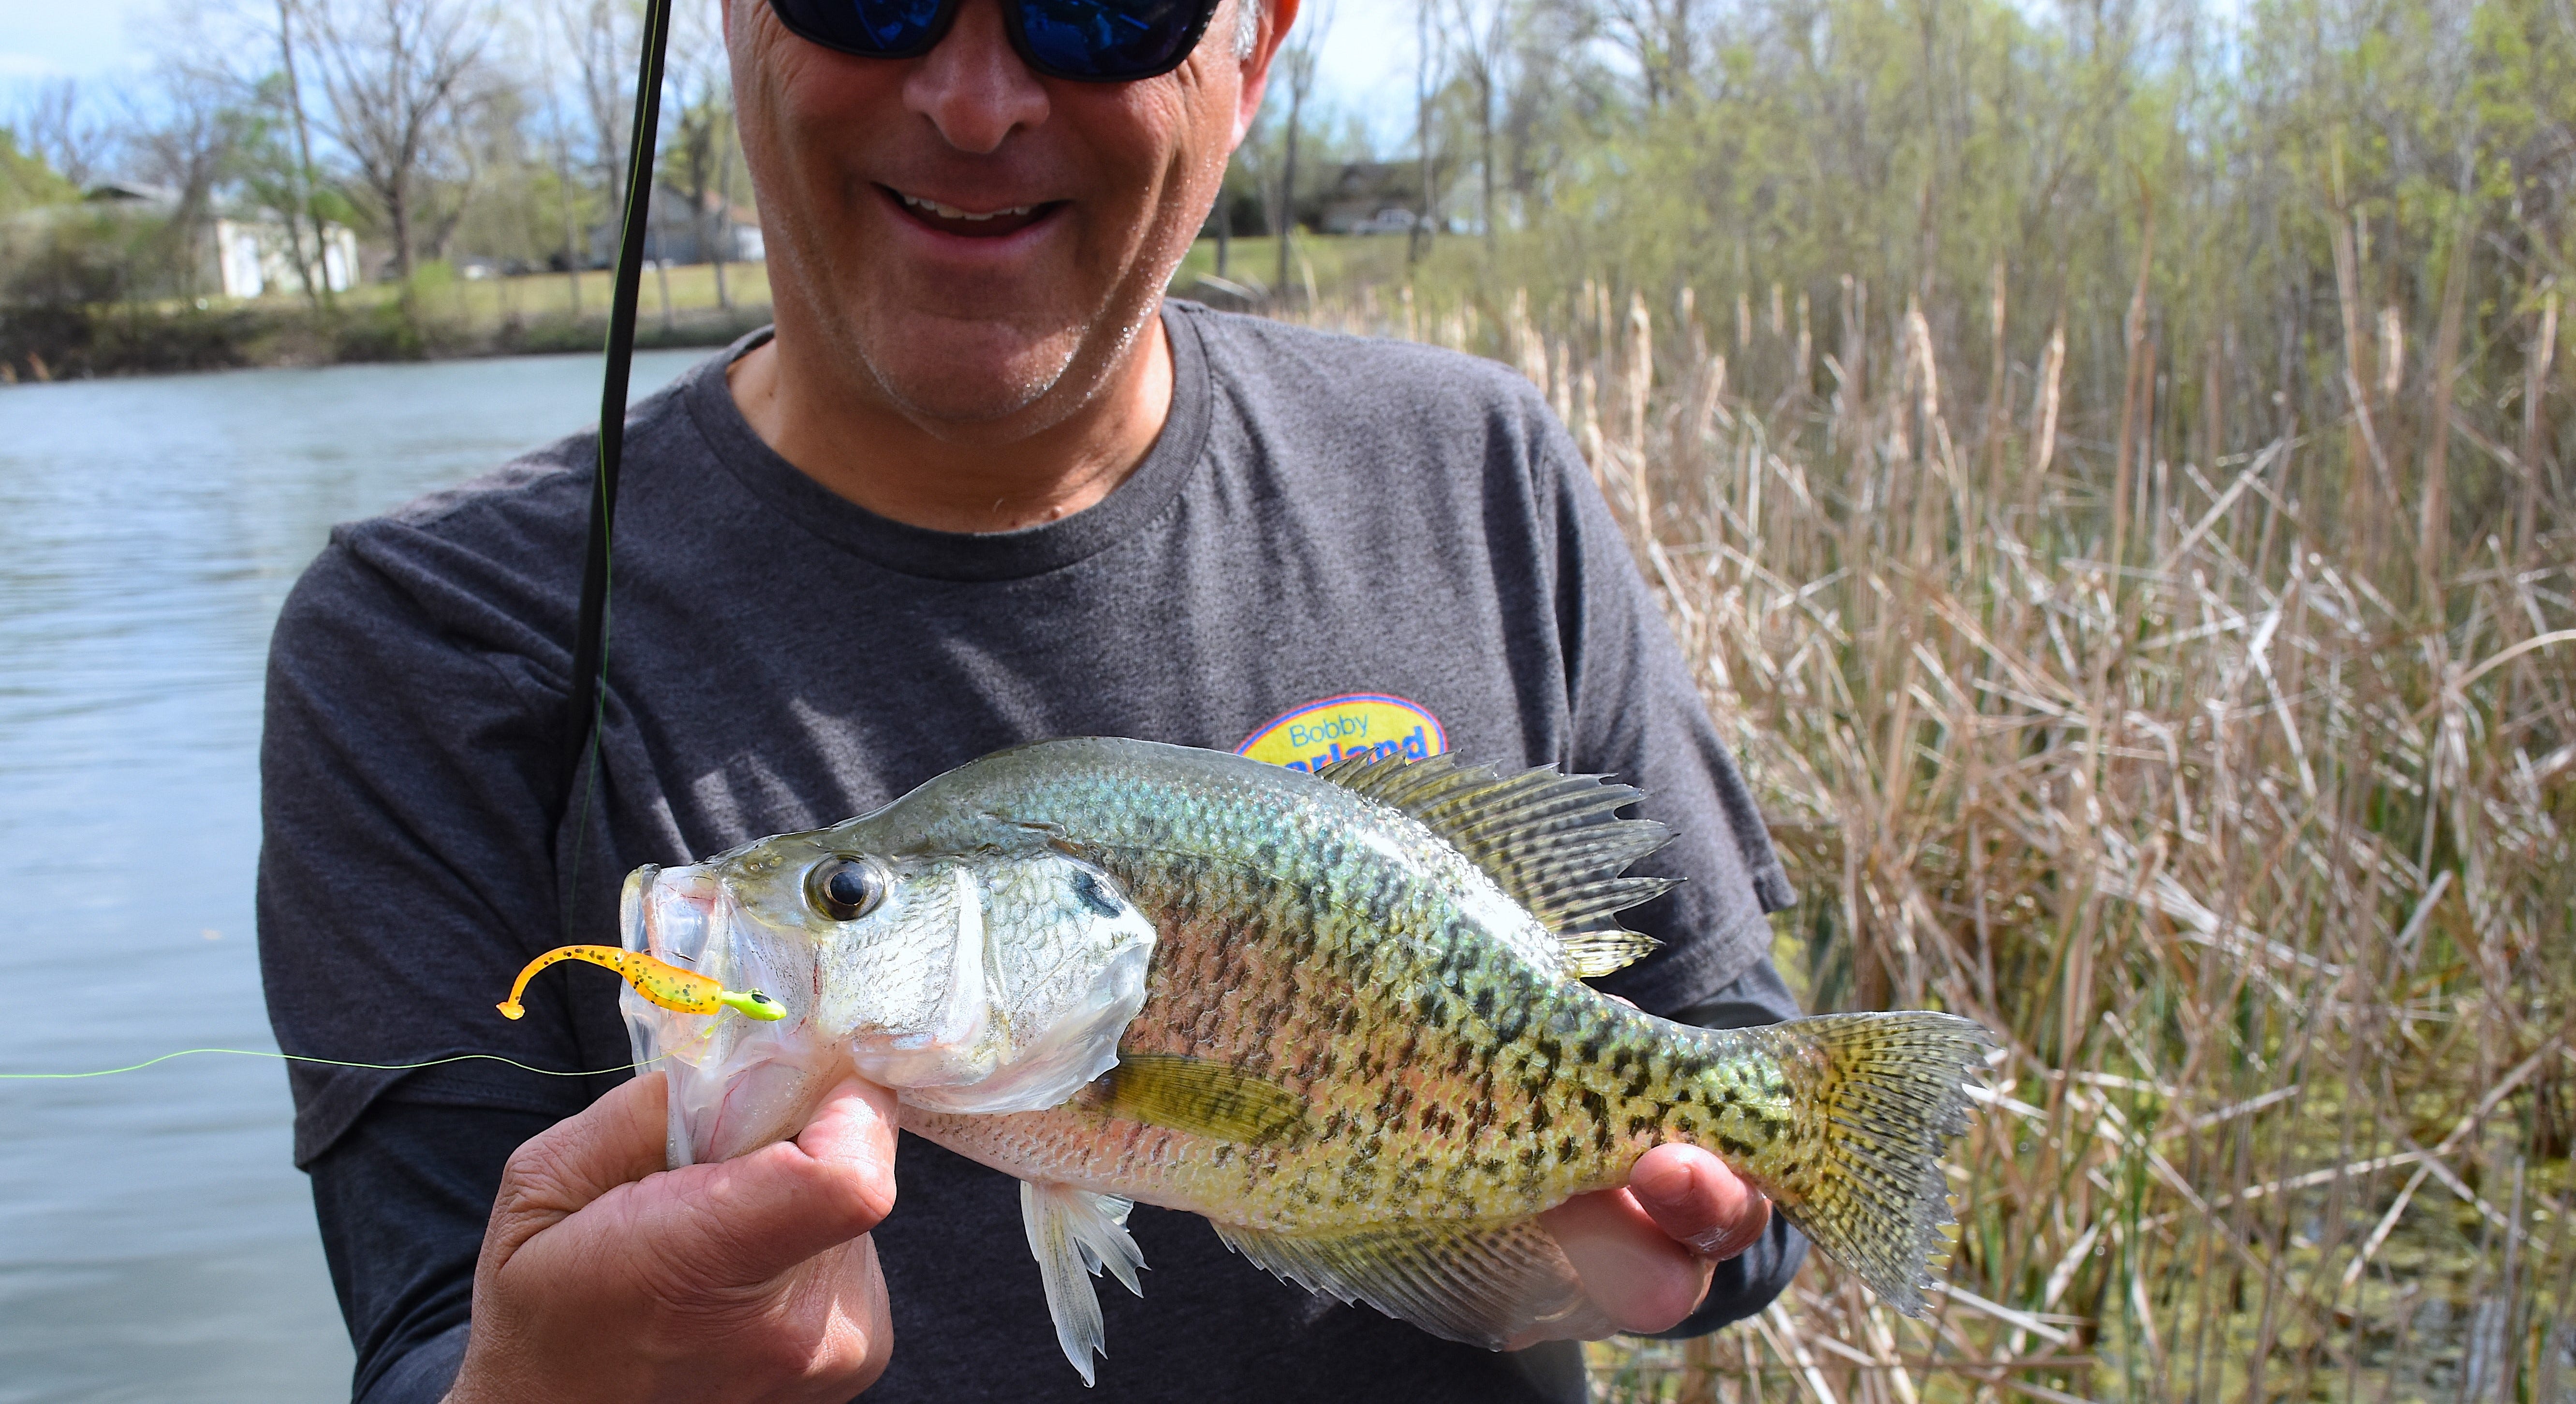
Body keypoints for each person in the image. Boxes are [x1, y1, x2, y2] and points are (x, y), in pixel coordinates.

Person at [257, 1, 1810, 1400]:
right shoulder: (428, 642)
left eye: (1101, 4)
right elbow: (428, 1346)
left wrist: (1664, 1235)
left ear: (1253, 45)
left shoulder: (1480, 473)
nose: (978, 98)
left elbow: (1748, 1110)